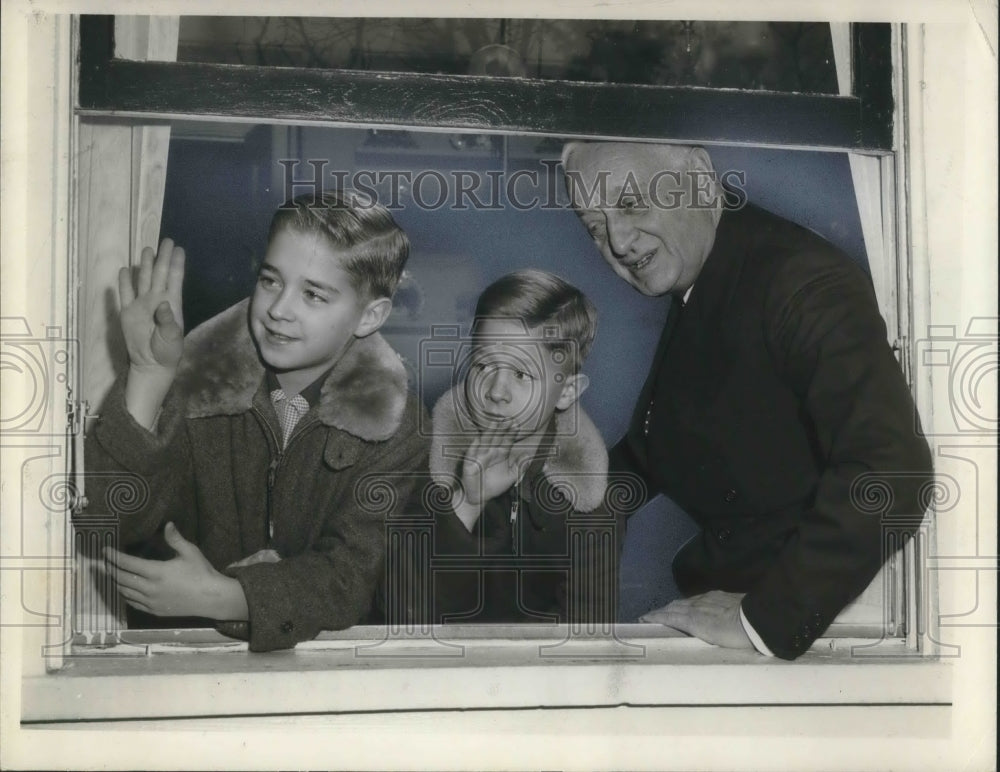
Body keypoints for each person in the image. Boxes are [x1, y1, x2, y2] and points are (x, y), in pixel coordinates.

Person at [561, 140, 934, 659]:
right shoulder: (711, 267)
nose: (617, 241)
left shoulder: (799, 280)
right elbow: (665, 439)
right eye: (594, 226)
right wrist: (554, 487)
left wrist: (764, 620)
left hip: (816, 628)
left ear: (696, 173)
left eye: (629, 204)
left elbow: (892, 470)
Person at [86, 190, 429, 652]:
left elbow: (351, 575)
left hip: (323, 663)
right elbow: (108, 521)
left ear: (369, 316)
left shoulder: (395, 416)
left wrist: (229, 596)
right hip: (182, 652)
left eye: (313, 294)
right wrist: (148, 378)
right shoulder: (196, 377)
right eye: (271, 281)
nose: (279, 309)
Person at [400, 270, 617, 626]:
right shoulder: (425, 459)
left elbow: (588, 637)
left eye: (521, 374)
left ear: (567, 392)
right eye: (483, 365)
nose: (496, 391)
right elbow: (402, 610)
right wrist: (465, 504)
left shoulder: (590, 502)